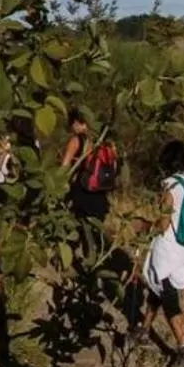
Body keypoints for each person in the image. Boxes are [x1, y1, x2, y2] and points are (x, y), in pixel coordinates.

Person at [138, 140, 184, 367]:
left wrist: (144, 226)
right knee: (159, 289)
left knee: (168, 297)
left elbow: (163, 224)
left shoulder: (169, 185)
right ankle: (144, 330)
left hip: (168, 250)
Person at [61, 110, 114, 257]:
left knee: (79, 230)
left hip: (82, 194)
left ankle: (81, 262)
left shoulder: (78, 140)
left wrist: (57, 184)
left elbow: (64, 166)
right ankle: (94, 264)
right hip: (100, 195)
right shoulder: (101, 142)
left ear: (76, 123)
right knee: (94, 235)